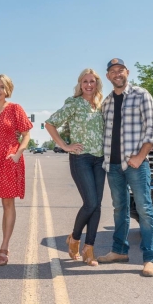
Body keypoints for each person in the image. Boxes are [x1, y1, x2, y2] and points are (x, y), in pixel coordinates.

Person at [97, 58, 153, 277]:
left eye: (120, 70)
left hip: (136, 164)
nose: (117, 73)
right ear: (108, 76)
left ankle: (150, 258)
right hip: (112, 165)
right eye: (112, 71)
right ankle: (119, 250)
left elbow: (152, 130)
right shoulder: (106, 102)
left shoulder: (142, 95)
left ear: (127, 72)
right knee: (119, 209)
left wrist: (140, 156)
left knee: (144, 209)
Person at [45, 68, 105, 266]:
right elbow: (50, 123)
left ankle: (89, 250)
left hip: (100, 159)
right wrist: (65, 146)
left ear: (97, 84)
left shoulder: (101, 105)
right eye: (85, 81)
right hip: (81, 158)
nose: (89, 84)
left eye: (92, 81)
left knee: (97, 206)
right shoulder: (74, 103)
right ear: (80, 84)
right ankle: (74, 239)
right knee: (90, 203)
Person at [0, 74, 32, 267]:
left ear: (7, 89)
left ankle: (4, 247)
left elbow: (26, 135)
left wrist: (18, 154)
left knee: (8, 204)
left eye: (2, 86)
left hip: (9, 158)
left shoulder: (15, 109)